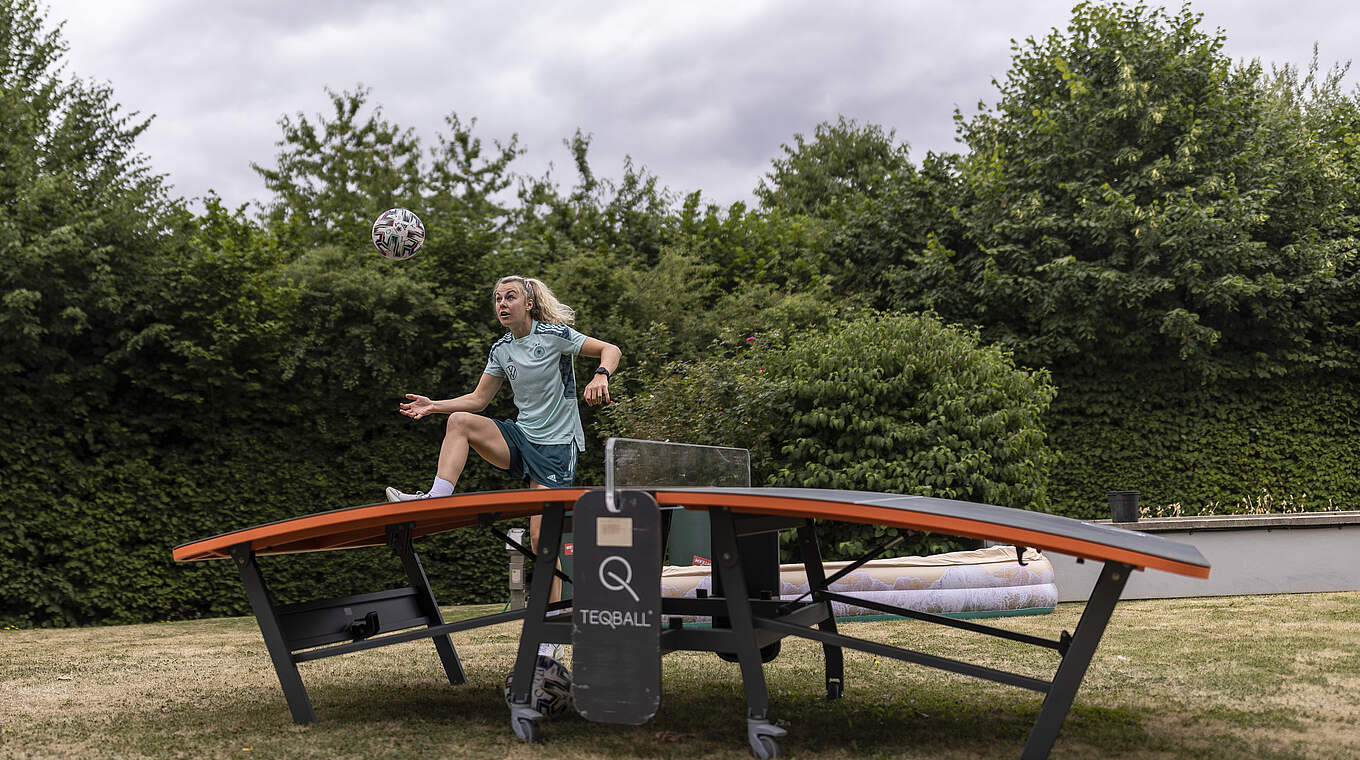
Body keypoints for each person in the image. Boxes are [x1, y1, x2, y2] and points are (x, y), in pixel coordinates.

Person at [386, 275, 620, 656]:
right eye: (497, 298)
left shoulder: (556, 335)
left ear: (528, 303)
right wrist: (434, 405)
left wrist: (600, 374)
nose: (502, 303)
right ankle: (435, 496)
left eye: (510, 296)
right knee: (460, 422)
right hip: (521, 438)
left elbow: (611, 349)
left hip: (558, 448)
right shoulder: (502, 349)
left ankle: (552, 634)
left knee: (544, 543)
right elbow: (478, 401)